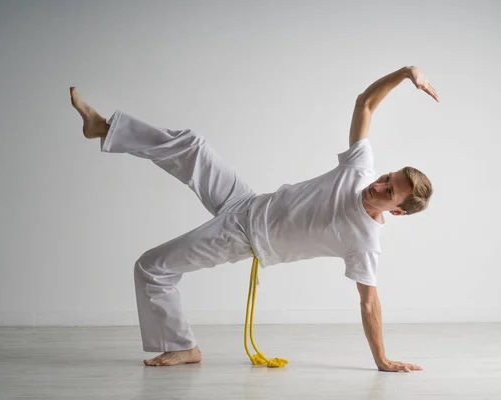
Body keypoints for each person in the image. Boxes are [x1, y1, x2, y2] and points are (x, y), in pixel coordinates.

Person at [69, 65, 438, 372]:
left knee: (151, 267)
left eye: (389, 192)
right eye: (387, 178)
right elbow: (366, 103)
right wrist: (406, 73)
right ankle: (104, 128)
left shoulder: (365, 241)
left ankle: (183, 347)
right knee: (192, 145)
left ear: (398, 211)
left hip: (244, 236)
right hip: (247, 201)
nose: (379, 185)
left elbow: (369, 303)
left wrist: (382, 360)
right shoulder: (359, 170)